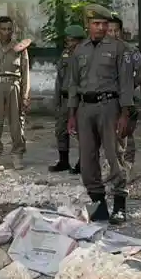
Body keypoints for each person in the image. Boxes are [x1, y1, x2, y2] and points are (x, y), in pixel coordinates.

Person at [67, 5, 135, 224]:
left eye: (105, 24)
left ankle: (119, 207)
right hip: (85, 109)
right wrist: (72, 114)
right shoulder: (80, 50)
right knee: (87, 162)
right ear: (88, 25)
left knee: (115, 156)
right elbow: (73, 84)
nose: (101, 28)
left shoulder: (119, 49)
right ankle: (99, 207)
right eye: (96, 24)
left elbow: (126, 83)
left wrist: (125, 114)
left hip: (110, 107)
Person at [0, 15, 31, 170]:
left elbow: (25, 73)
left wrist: (25, 95)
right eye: (3, 29)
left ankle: (17, 155)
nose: (6, 32)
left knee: (16, 123)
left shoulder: (20, 48)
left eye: (9, 29)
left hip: (13, 87)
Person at [109, 14, 141, 169]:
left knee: (126, 132)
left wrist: (130, 86)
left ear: (121, 31)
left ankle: (128, 164)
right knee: (111, 134)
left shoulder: (130, 50)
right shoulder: (99, 51)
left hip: (126, 100)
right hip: (108, 100)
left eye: (116, 30)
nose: (113, 34)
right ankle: (116, 165)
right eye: (109, 30)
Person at [50, 25, 86, 172]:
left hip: (79, 99)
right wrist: (56, 99)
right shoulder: (65, 54)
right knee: (60, 130)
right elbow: (59, 79)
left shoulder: (85, 55)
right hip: (65, 98)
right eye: (68, 40)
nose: (69, 44)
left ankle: (82, 163)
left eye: (72, 41)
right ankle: (63, 161)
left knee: (80, 131)